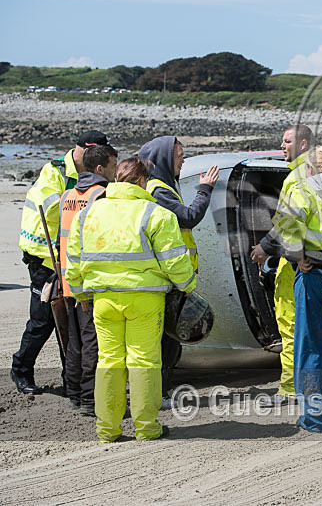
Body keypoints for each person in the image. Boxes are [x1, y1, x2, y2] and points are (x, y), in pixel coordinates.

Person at [65, 157, 196, 442]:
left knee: (109, 361)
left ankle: (107, 430)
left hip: (103, 299)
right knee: (144, 361)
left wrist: (80, 293)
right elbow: (175, 261)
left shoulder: (89, 213)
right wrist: (187, 285)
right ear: (142, 181)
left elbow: (73, 259)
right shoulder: (156, 214)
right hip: (145, 300)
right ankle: (146, 428)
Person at [12, 130, 110, 395]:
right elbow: (53, 206)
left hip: (71, 258)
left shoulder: (93, 176)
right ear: (83, 151)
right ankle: (21, 369)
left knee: (73, 322)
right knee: (44, 320)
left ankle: (72, 379)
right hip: (43, 256)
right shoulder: (55, 171)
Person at [271, 146, 322, 432]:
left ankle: (313, 419)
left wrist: (297, 256)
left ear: (309, 169)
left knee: (310, 350)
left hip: (312, 276)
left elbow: (286, 228)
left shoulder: (303, 190)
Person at [138, 136, 219, 408]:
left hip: (172, 276)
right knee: (164, 341)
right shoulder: (158, 190)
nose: (183, 160)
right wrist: (204, 190)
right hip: (167, 278)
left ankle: (161, 389)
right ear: (163, 158)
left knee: (168, 340)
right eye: (179, 155)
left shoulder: (164, 185)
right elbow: (188, 217)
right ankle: (157, 393)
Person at [250, 124, 315, 405]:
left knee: (290, 327)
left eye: (287, 141)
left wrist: (264, 249)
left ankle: (290, 388)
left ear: (303, 144)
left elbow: (286, 224)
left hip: (296, 265)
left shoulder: (296, 178)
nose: (282, 145)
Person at [58, 144, 118, 416]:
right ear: (100, 168)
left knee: (74, 343)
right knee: (93, 342)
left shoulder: (67, 195)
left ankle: (73, 392)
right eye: (113, 166)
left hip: (68, 279)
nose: (116, 171)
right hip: (90, 282)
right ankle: (89, 399)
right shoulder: (101, 195)